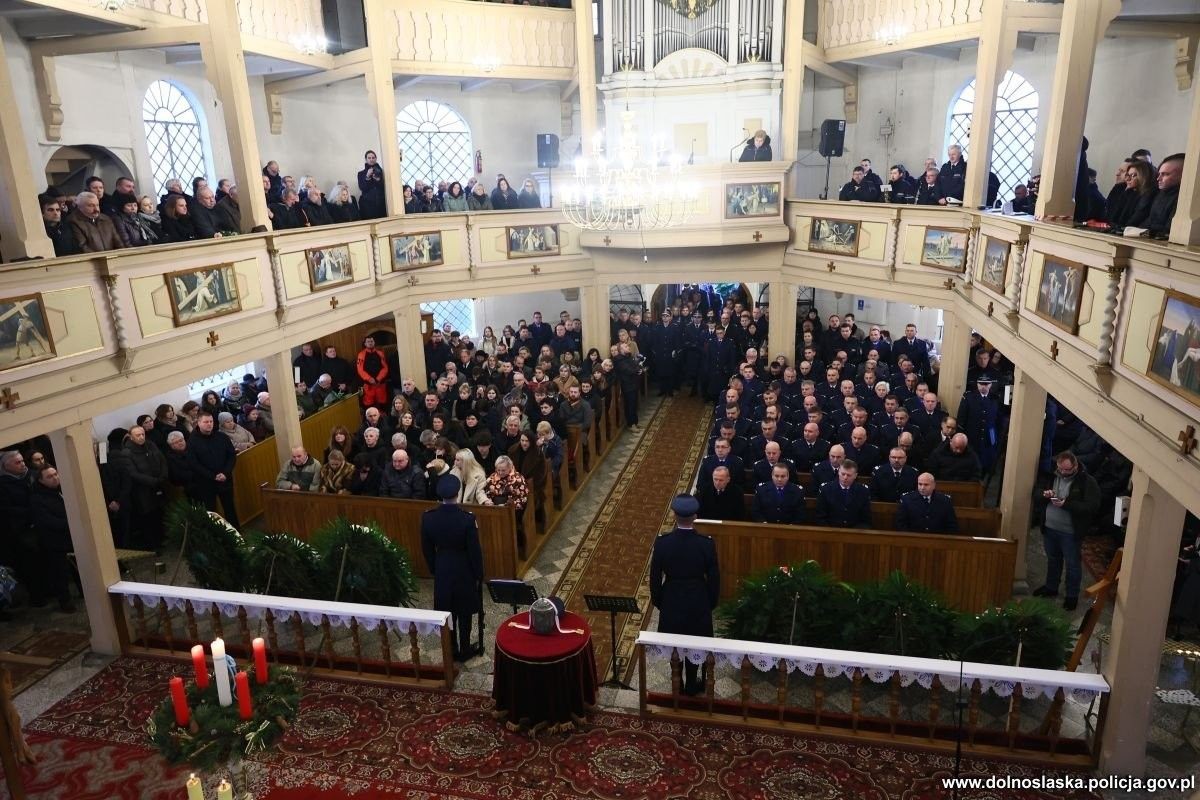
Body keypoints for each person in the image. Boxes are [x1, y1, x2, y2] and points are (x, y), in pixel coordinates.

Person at [648, 495, 720, 696]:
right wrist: (710, 602)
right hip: (699, 600)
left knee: (675, 646)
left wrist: (660, 601)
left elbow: (654, 578)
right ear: (695, 516)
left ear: (674, 515)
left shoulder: (663, 543)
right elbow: (714, 578)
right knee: (696, 644)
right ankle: (690, 684)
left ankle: (676, 683)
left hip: (671, 598)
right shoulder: (706, 543)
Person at [422, 475, 485, 661]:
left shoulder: (428, 518)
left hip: (442, 566)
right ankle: (465, 649)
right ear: (457, 494)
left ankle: (450, 648)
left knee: (447, 612)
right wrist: (478, 574)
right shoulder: (467, 519)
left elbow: (426, 549)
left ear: (440, 496)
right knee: (464, 612)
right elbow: (474, 550)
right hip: (464, 568)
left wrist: (435, 569)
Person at [1033, 452, 1100, 611]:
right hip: (1050, 528)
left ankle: (1071, 596)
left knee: (1072, 565)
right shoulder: (1051, 476)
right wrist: (1045, 494)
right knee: (1053, 559)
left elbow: (1092, 507)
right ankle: (1051, 587)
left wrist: (1066, 504)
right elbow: (1036, 493)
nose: (1063, 473)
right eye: (1061, 469)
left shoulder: (1086, 482)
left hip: (1070, 532)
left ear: (1075, 466)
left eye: (1068, 470)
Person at [29, 466, 75, 612]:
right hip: (55, 541)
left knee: (79, 569)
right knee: (60, 574)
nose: (55, 478)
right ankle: (65, 602)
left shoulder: (63, 490)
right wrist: (73, 523)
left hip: (71, 537)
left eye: (56, 474)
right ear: (41, 481)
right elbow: (47, 521)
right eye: (50, 476)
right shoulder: (37, 498)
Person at [186, 410, 240, 528]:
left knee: (230, 508)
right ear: (198, 423)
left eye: (211, 421)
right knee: (212, 512)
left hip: (225, 479)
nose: (209, 424)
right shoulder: (192, 441)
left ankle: (238, 535)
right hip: (206, 483)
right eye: (206, 422)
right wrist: (212, 476)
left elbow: (231, 455)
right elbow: (193, 464)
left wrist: (225, 473)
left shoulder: (221, 436)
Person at [956, 376, 1001, 475]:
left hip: (989, 436)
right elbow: (961, 417)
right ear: (977, 384)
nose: (983, 387)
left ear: (991, 384)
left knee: (987, 462)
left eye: (986, 384)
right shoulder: (969, 397)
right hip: (972, 434)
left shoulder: (995, 398)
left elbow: (998, 419)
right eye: (981, 384)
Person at [814, 460, 872, 528]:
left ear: (855, 475)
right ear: (838, 472)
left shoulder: (863, 492)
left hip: (854, 533)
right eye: (843, 474)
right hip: (831, 532)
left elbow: (866, 520)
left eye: (849, 475)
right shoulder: (826, 489)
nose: (845, 478)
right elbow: (820, 517)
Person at [358, 150, 387, 219]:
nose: (371, 159)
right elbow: (362, 188)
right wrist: (367, 176)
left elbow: (386, 188)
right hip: (368, 206)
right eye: (369, 158)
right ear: (366, 159)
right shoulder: (361, 174)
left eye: (373, 157)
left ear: (376, 159)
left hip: (381, 205)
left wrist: (378, 180)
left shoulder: (382, 172)